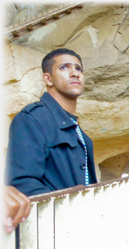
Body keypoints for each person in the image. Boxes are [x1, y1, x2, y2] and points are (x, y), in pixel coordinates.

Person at [5, 48, 97, 197]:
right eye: (64, 67)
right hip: (55, 218)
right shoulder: (31, 119)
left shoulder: (80, 133)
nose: (75, 73)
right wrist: (68, 211)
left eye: (78, 68)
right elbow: (22, 184)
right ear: (48, 79)